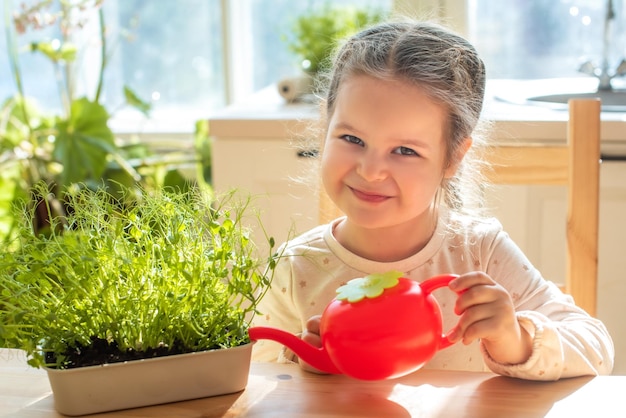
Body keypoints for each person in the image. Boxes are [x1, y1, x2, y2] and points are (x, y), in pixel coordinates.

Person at [251, 18, 614, 380]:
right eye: (352, 139)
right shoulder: (295, 267)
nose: (372, 170)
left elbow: (597, 350)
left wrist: (515, 339)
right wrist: (302, 366)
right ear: (325, 126)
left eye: (405, 150)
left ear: (454, 156)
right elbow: (259, 380)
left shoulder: (479, 252)